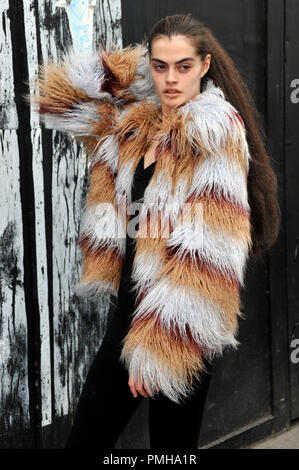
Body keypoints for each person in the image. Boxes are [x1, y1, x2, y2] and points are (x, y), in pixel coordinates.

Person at [28, 13, 280, 449]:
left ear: (204, 66)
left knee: (172, 449)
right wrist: (135, 71)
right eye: (160, 66)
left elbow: (207, 255)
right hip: (127, 313)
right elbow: (58, 100)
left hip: (180, 325)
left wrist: (159, 349)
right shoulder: (133, 125)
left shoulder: (213, 133)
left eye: (183, 66)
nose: (171, 79)